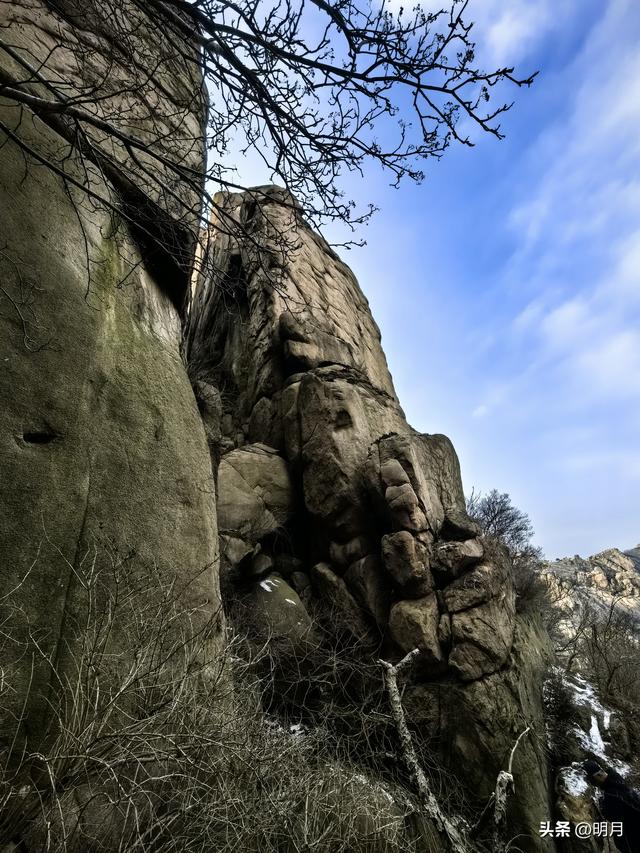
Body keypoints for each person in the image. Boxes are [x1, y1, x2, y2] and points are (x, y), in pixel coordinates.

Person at [584, 760, 640, 853]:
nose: (594, 784)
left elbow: (619, 826)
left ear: (599, 775)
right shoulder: (618, 781)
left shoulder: (612, 795)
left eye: (593, 780)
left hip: (634, 836)